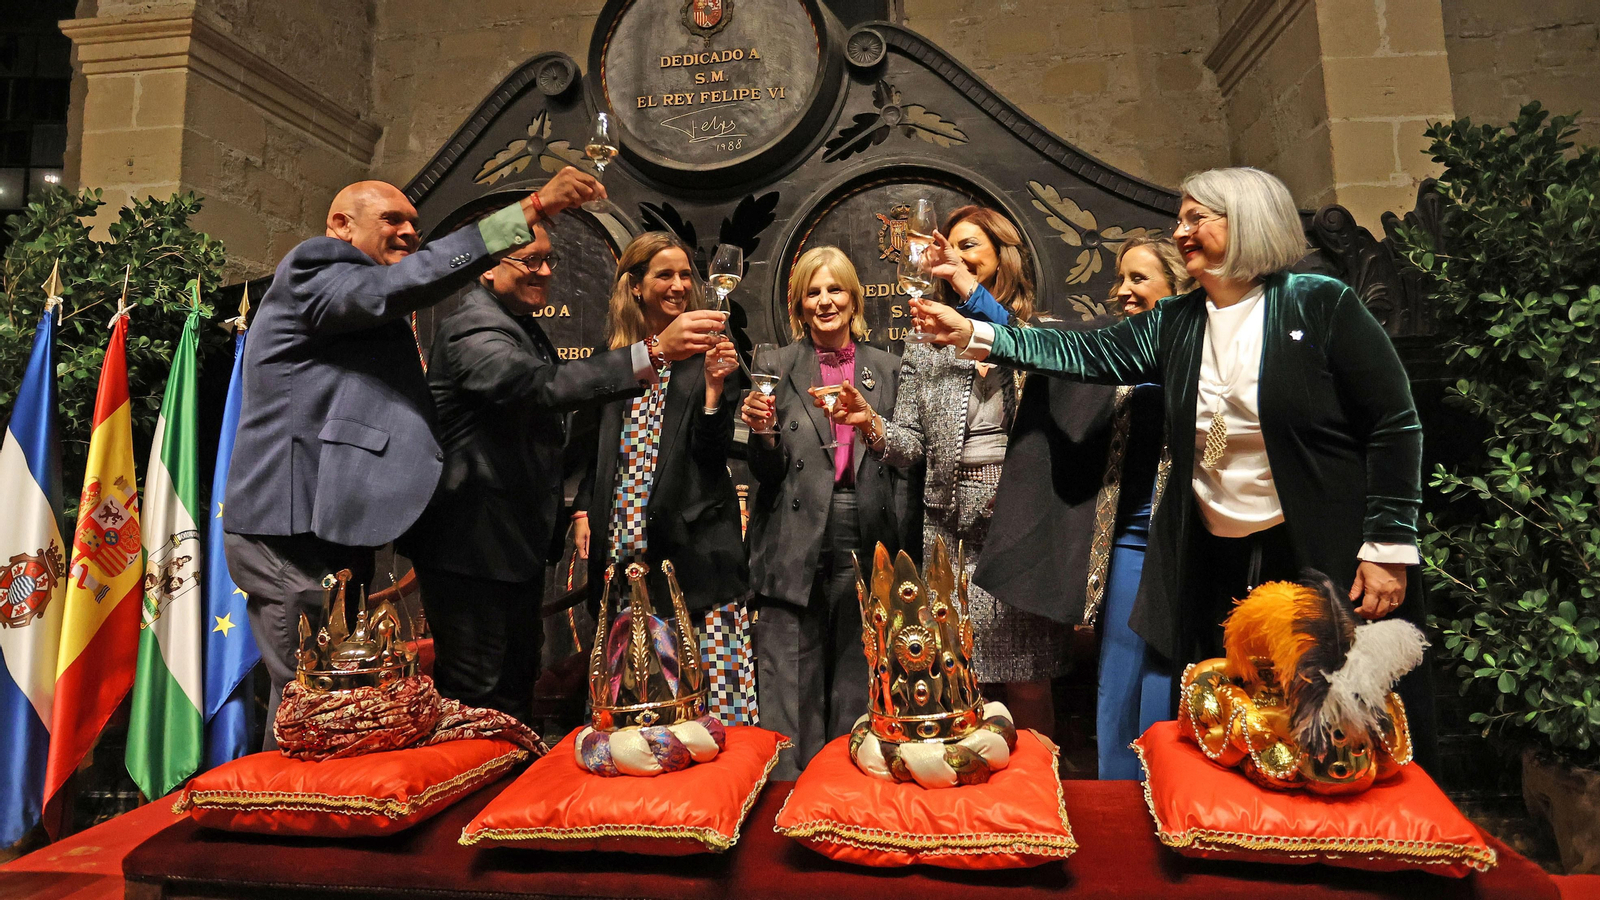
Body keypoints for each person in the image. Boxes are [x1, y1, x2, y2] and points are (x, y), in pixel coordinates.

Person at [909, 167, 1436, 768]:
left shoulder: (1320, 302)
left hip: (1317, 542)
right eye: (1179, 219)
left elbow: (1395, 422)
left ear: (1245, 224)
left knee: (1338, 716)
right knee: (1238, 717)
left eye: (1196, 219)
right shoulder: (1178, 320)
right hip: (1214, 555)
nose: (1181, 232)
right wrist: (975, 330)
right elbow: (1079, 351)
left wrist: (1390, 543)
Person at [224, 168, 603, 747]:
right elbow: (397, 289)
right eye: (392, 220)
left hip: (334, 534)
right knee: (310, 706)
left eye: (415, 225)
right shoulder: (315, 268)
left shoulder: (359, 299)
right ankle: (288, 828)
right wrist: (528, 209)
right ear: (340, 226)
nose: (408, 233)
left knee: (343, 712)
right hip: (289, 531)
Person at [403, 218, 728, 723]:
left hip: (510, 550)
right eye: (528, 260)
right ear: (488, 269)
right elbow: (544, 389)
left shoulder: (517, 324)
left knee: (510, 698)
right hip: (474, 552)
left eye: (548, 260)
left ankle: (508, 791)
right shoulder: (473, 327)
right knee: (478, 704)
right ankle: (482, 794)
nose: (544, 272)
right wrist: (657, 350)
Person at [824, 206, 1070, 736]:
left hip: (1021, 525)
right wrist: (871, 422)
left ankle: (1038, 802)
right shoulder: (924, 339)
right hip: (952, 532)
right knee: (964, 678)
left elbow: (1043, 375)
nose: (955, 258)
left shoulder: (1040, 334)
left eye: (969, 247)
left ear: (1001, 255)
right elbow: (911, 444)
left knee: (1028, 679)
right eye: (949, 249)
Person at [570, 232, 755, 724]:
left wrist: (715, 392)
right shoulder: (613, 358)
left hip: (695, 550)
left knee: (714, 708)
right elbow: (591, 450)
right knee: (636, 709)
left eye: (684, 276)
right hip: (625, 548)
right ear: (634, 286)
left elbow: (713, 456)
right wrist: (585, 506)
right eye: (664, 275)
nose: (678, 286)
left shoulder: (709, 352)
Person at [739, 246, 903, 778]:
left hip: (865, 526)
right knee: (790, 672)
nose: (825, 301)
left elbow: (904, 457)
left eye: (835, 290)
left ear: (854, 300)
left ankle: (845, 792)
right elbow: (765, 471)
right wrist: (761, 435)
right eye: (814, 291)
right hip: (793, 532)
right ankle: (784, 804)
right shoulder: (776, 366)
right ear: (799, 305)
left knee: (860, 671)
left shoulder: (888, 368)